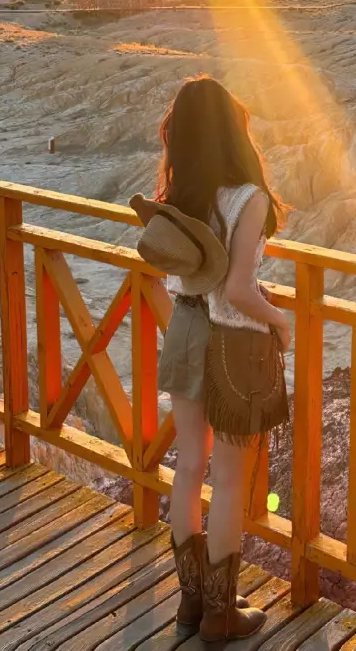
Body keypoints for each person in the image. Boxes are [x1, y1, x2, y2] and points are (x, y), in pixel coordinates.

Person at [145, 75, 290, 642]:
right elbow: (236, 290)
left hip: (183, 326)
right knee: (228, 481)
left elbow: (198, 279)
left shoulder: (179, 194)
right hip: (234, 344)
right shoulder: (247, 197)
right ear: (233, 128)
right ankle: (220, 614)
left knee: (187, 469)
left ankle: (191, 603)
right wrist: (280, 320)